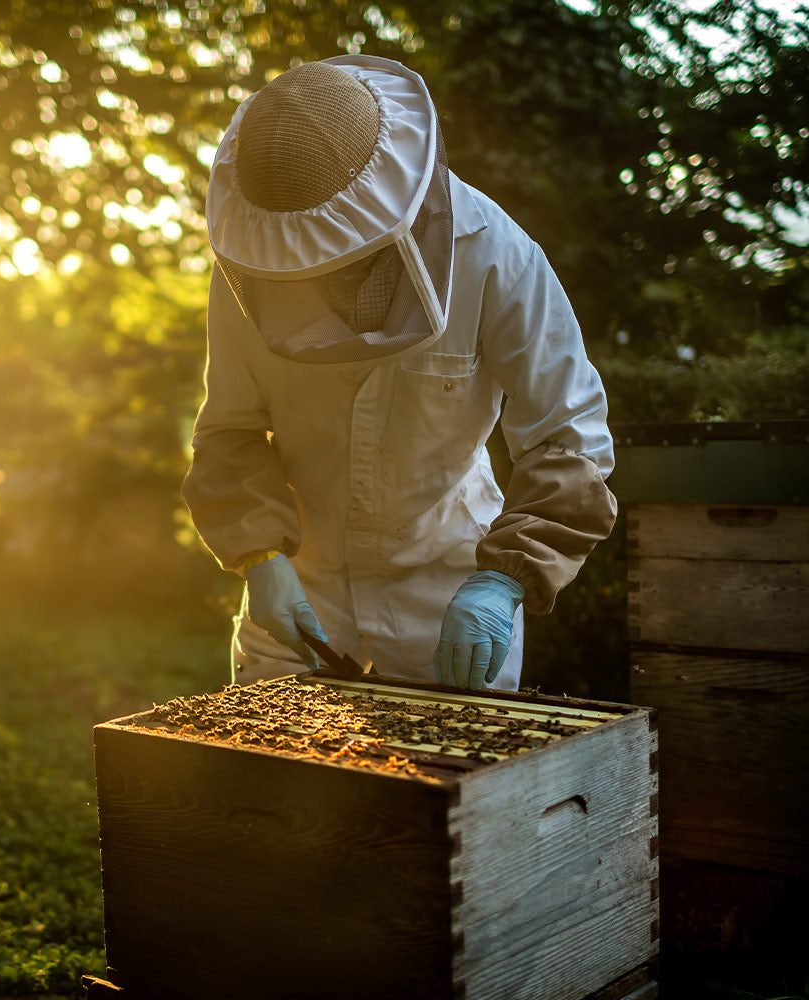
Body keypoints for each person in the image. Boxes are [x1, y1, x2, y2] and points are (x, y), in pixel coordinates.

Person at [182, 55, 617, 691]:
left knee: (458, 786)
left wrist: (504, 580)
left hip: (449, 588)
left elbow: (569, 439)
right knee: (271, 784)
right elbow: (229, 431)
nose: (314, 279)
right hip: (302, 586)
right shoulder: (253, 266)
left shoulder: (500, 256)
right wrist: (260, 557)